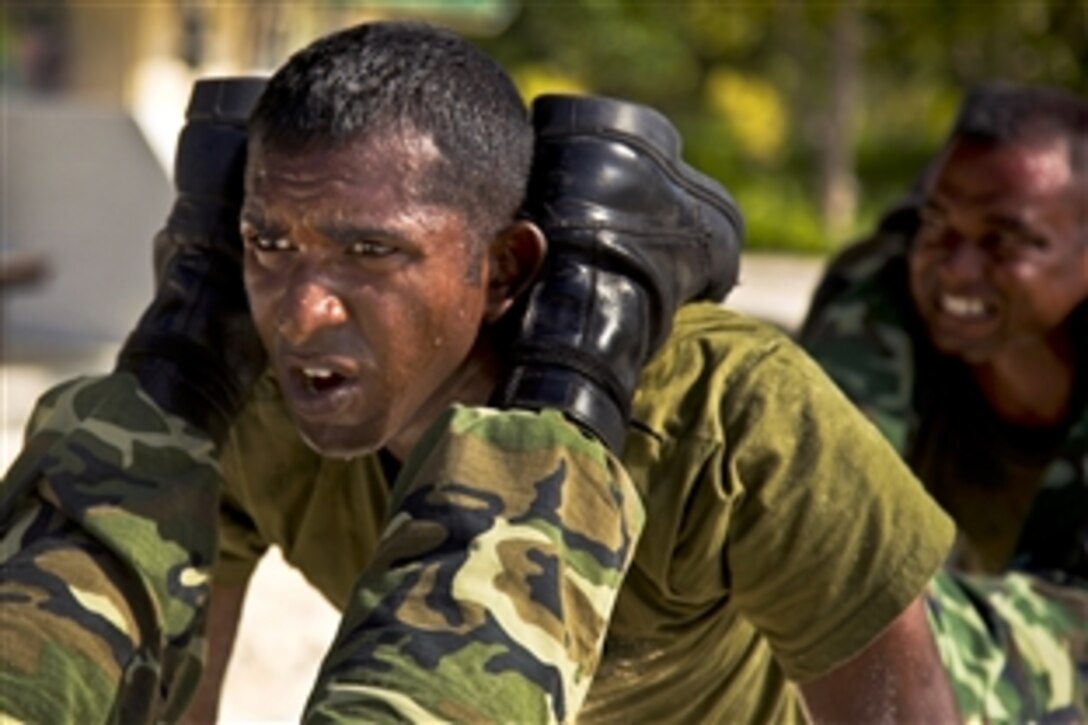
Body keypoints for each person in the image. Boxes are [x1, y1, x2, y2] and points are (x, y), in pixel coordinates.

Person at [0, 21, 966, 724]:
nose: (299, 312)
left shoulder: (730, 412)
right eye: (264, 242)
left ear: (503, 268)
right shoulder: (256, 413)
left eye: (369, 254)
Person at [800, 82, 1088, 719]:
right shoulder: (878, 299)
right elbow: (817, 529)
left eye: (1004, 240)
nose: (955, 268)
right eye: (937, 225)